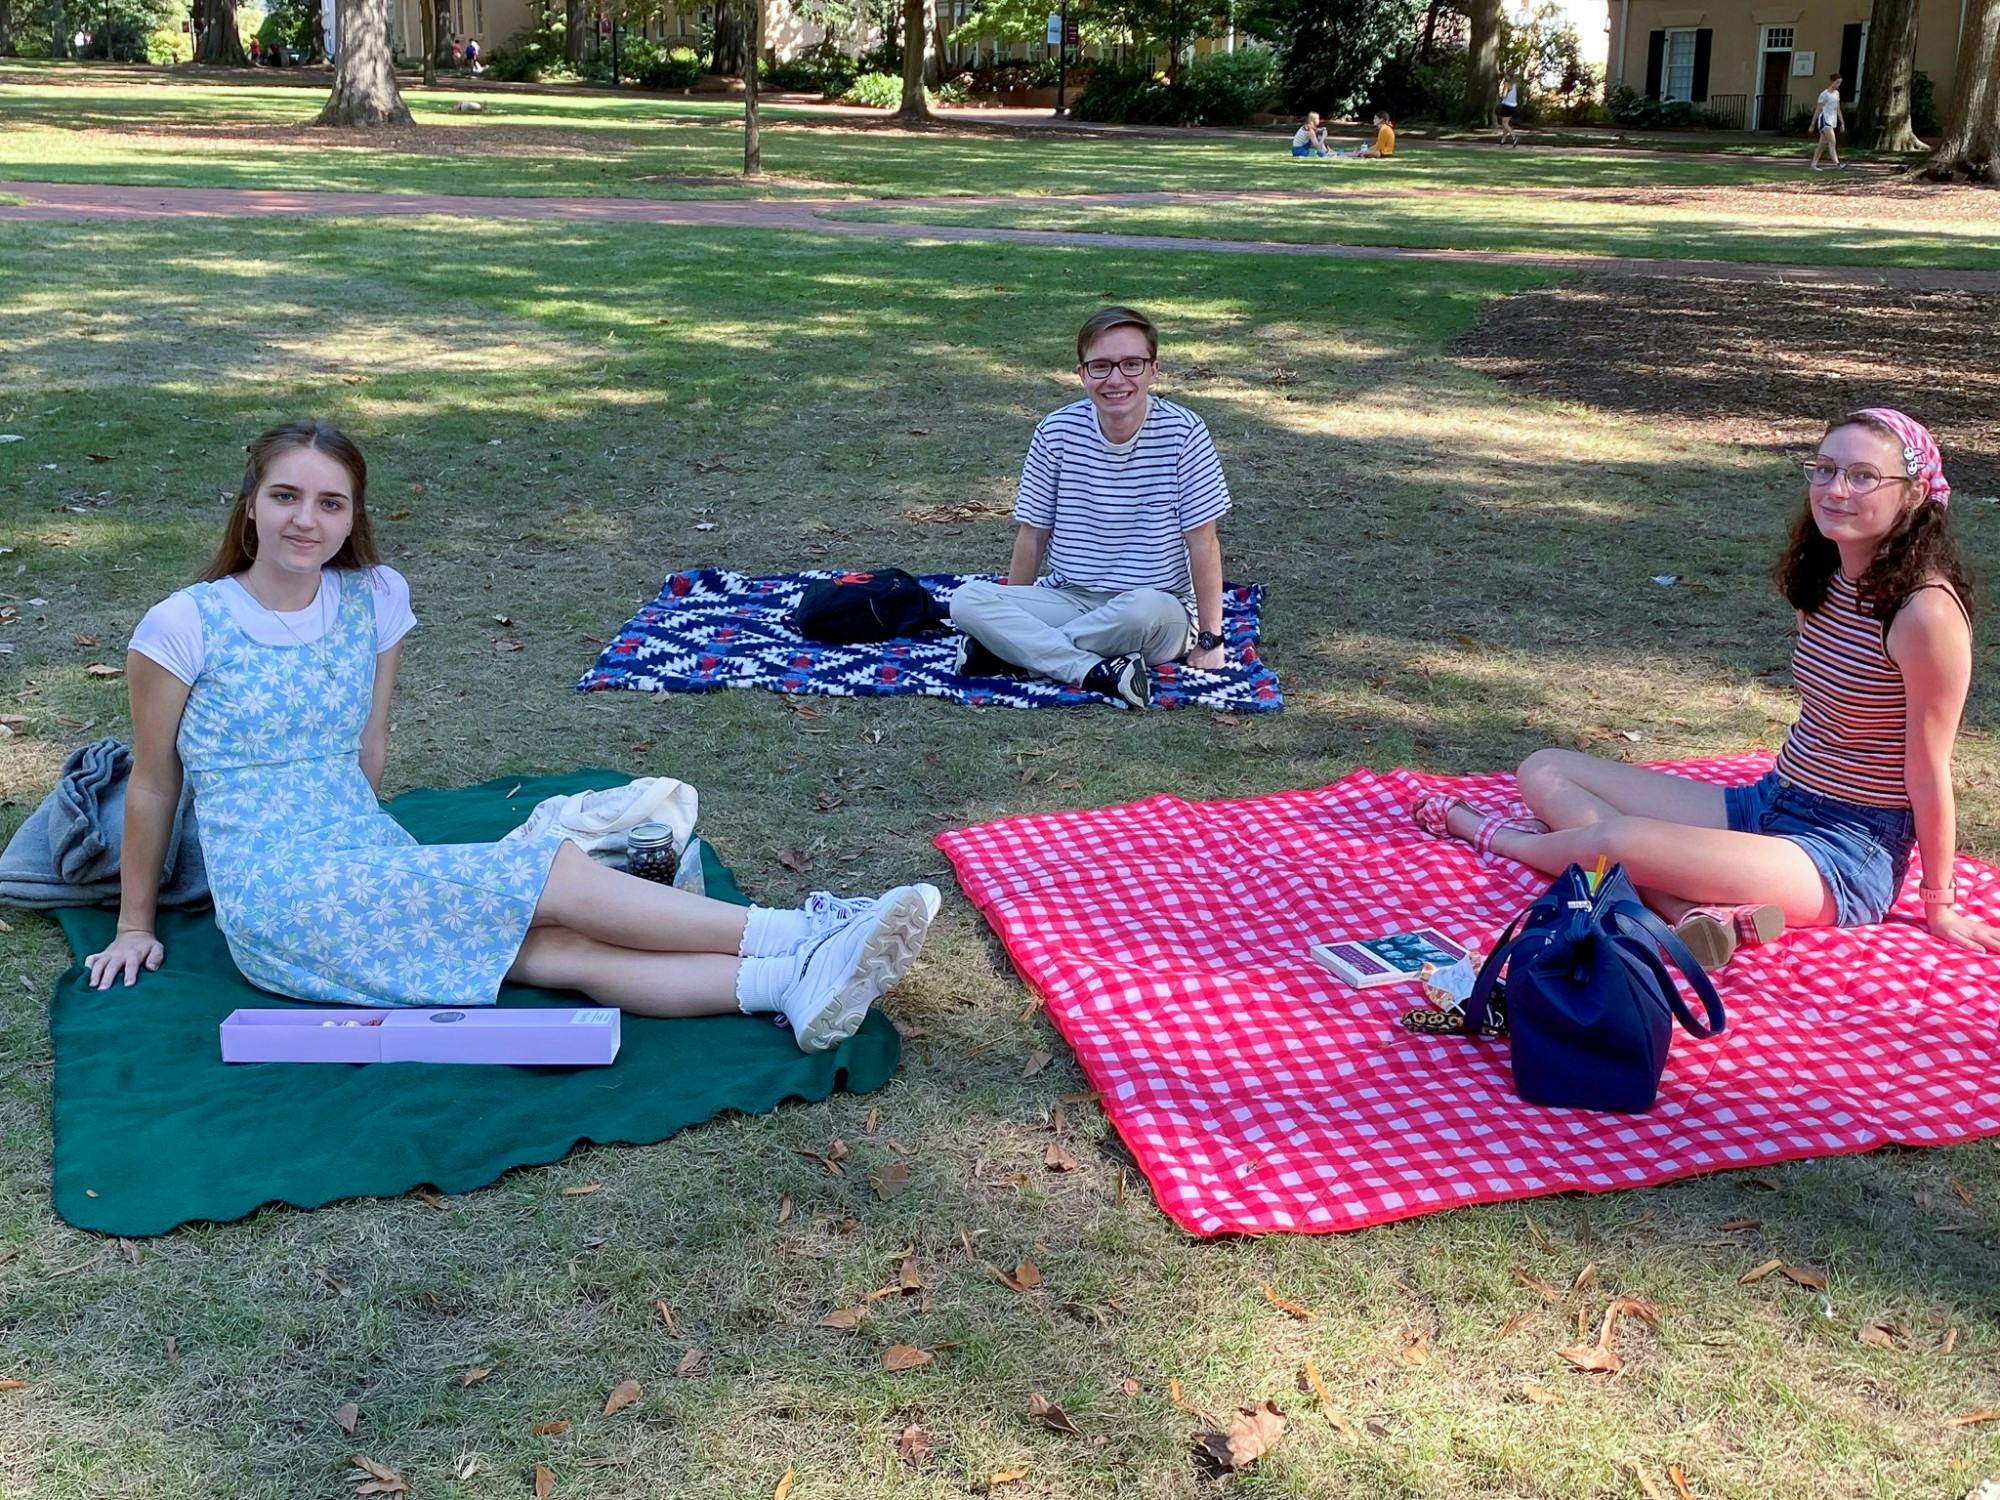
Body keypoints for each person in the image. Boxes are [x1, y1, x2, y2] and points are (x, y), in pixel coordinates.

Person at [85, 420, 941, 1053]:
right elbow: (154, 782)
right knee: (550, 871)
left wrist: (388, 861)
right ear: (250, 506)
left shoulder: (374, 597)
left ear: (352, 517)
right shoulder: (183, 625)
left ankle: (787, 985)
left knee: (554, 951)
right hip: (278, 891)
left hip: (361, 852)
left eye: (329, 502)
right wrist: (133, 924)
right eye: (285, 496)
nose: (305, 519)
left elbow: (368, 747)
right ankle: (802, 932)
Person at [1414, 408, 1998, 969]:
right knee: (1545, 769)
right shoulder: (1823, 579)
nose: (1835, 489)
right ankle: (1683, 910)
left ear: (1912, 495)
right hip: (1770, 802)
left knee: (1620, 841)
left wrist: (1939, 903)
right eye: (1825, 469)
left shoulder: (1926, 613)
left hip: (1844, 851)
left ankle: (1502, 838)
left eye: (1864, 475)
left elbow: (1929, 769)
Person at [948, 307, 1232, 710]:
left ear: (1153, 371)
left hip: (1156, 606)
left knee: (1141, 610)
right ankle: (1091, 670)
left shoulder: (1185, 433)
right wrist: (1014, 606)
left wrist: (1211, 639)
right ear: (1082, 374)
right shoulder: (1055, 431)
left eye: (1131, 364)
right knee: (967, 600)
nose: (1115, 379)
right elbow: (1033, 534)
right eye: (1100, 366)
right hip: (1069, 597)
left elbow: (1204, 543)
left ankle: (1010, 653)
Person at [1810, 73, 1847, 171]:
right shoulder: (1824, 94)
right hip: (1824, 121)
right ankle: (1838, 164)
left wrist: (1842, 122)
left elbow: (1838, 109)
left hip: (1832, 121)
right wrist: (1812, 124)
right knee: (1832, 142)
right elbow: (1818, 109)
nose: (1838, 85)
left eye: (1840, 83)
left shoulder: (1837, 94)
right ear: (1832, 82)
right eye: (1837, 82)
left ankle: (1813, 164)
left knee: (1821, 144)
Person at [1497, 78, 1520, 146]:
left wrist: (1501, 96)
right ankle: (1503, 140)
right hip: (1513, 106)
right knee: (1505, 123)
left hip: (1507, 105)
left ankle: (1514, 136)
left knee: (1504, 124)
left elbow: (1504, 95)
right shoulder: (1514, 85)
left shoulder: (1507, 84)